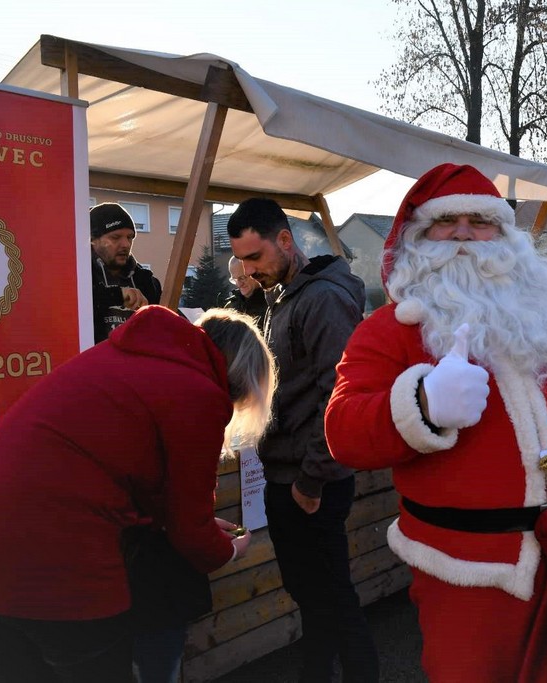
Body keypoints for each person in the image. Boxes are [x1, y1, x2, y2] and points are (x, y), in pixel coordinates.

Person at [324, 164, 547, 682]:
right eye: (444, 221)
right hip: (462, 574)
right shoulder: (387, 331)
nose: (462, 233)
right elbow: (342, 429)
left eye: (480, 220)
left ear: (504, 236)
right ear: (417, 238)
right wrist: (422, 404)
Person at [0, 306, 275, 683]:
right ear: (241, 378)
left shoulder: (117, 356)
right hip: (65, 566)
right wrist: (229, 548)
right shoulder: (197, 392)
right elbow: (191, 531)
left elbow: (118, 469)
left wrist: (194, 522)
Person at [227, 198, 378, 683]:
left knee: (331, 594)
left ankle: (359, 674)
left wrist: (311, 481)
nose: (248, 270)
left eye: (255, 258)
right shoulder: (283, 293)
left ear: (285, 242)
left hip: (310, 481)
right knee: (312, 593)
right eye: (242, 260)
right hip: (290, 473)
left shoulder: (322, 299)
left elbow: (335, 399)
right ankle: (317, 672)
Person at [89, 202, 163, 343]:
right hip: (94, 363)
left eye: (129, 237)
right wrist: (117, 295)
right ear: (93, 240)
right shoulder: (79, 277)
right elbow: (72, 306)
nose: (126, 244)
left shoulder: (147, 281)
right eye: (115, 237)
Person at [223, 255, 267, 328]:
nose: (239, 284)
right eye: (235, 280)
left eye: (242, 278)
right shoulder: (230, 307)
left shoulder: (271, 303)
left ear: (256, 274)